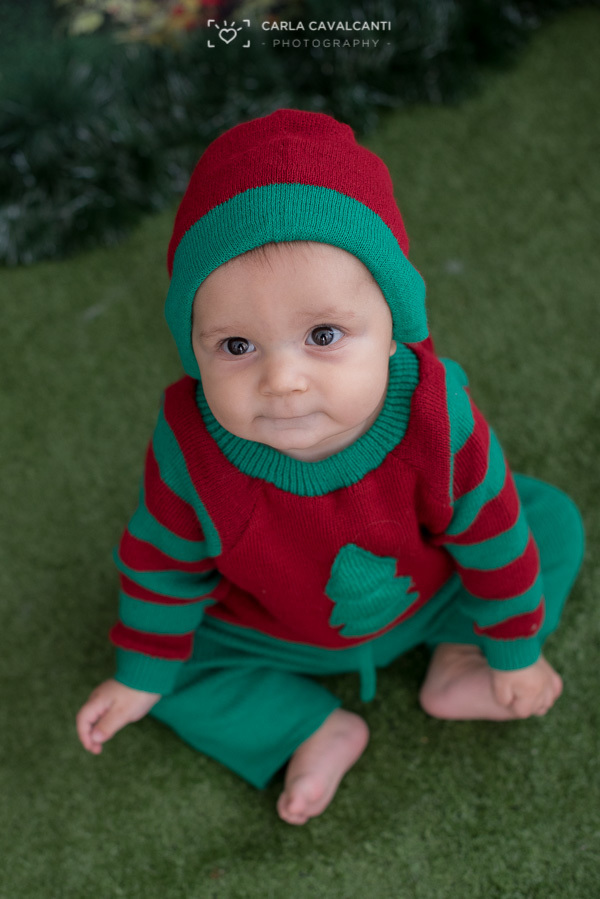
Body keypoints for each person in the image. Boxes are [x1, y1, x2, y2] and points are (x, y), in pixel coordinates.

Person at [76, 109, 585, 826]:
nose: (282, 380)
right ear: (194, 348)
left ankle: (461, 659)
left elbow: (491, 533)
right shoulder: (190, 447)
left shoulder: (436, 414)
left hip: (432, 594)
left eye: (323, 334)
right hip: (274, 632)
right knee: (155, 668)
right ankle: (309, 729)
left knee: (546, 521)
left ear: (394, 328)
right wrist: (141, 674)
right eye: (236, 347)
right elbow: (162, 564)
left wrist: (515, 648)